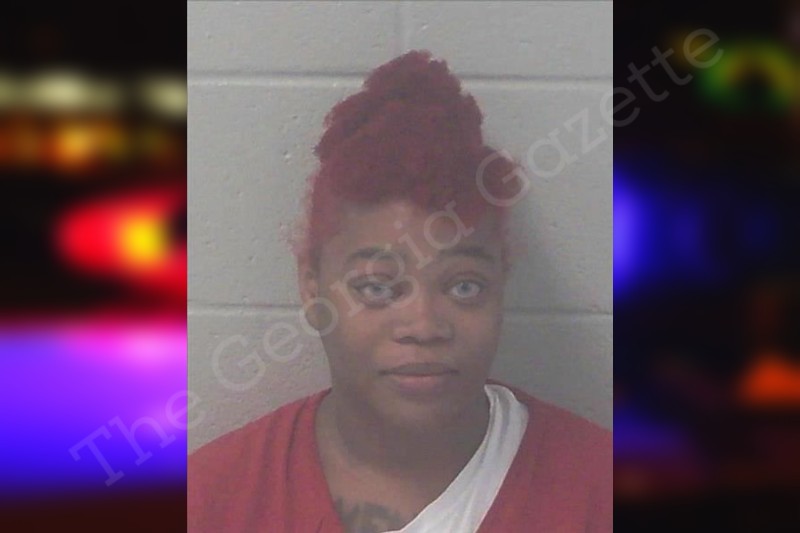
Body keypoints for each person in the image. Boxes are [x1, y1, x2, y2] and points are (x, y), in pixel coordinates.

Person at [188, 50, 612, 533]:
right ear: (311, 286)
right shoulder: (211, 501)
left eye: (465, 285)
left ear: (501, 283)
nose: (424, 326)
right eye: (377, 287)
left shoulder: (599, 490)